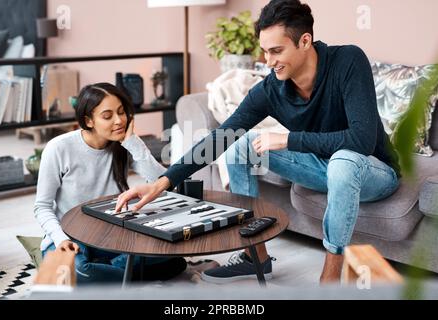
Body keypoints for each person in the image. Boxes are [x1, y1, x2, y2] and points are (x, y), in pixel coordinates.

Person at [115, 0, 400, 284]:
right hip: (321, 168)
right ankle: (256, 257)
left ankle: (331, 277)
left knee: (343, 160)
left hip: (370, 171)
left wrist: (289, 139)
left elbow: (361, 141)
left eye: (276, 51)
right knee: (241, 145)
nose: (268, 61)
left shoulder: (348, 61)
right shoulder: (271, 88)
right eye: (264, 51)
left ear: (305, 41)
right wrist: (162, 183)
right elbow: (221, 137)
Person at [35, 82, 186, 284]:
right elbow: (42, 207)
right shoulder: (58, 148)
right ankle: (123, 274)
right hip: (71, 236)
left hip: (114, 236)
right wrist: (61, 239)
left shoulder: (125, 143)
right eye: (107, 116)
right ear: (88, 121)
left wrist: (133, 143)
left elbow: (163, 183)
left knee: (175, 260)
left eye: (122, 112)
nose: (119, 121)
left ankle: (108, 276)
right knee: (78, 270)